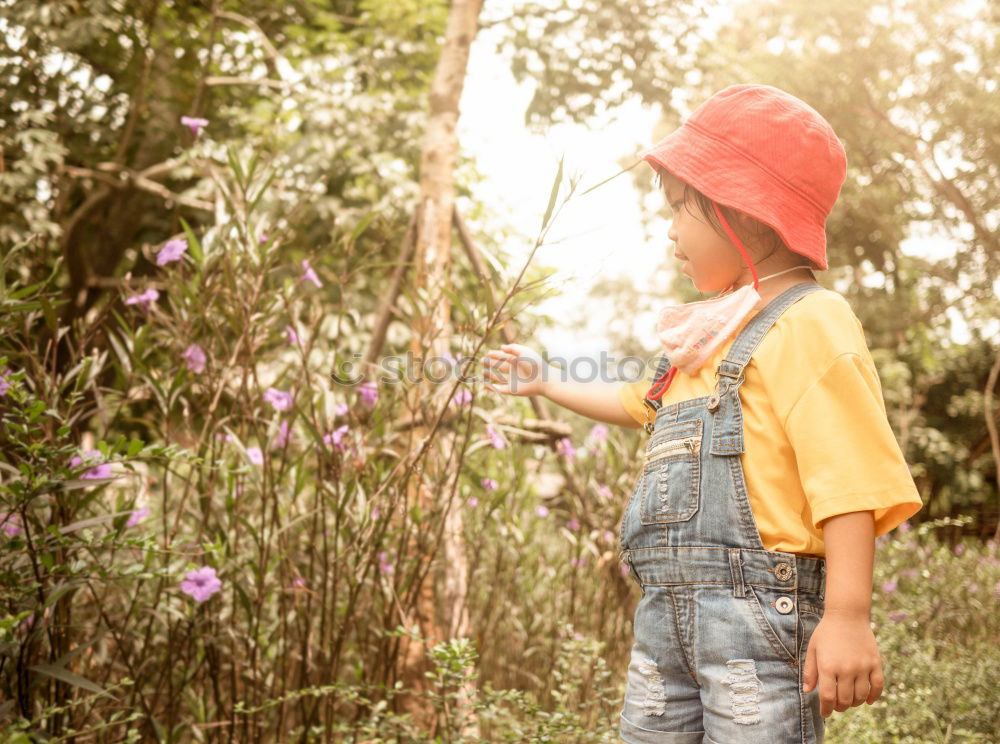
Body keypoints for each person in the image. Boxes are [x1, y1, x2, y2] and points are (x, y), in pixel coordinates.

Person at [482, 84, 922, 743]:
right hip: (664, 618)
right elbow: (640, 404)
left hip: (758, 619)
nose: (668, 232)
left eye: (678, 212)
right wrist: (546, 380)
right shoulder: (708, 334)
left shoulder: (811, 322)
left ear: (739, 211)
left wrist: (848, 616)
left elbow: (849, 480)